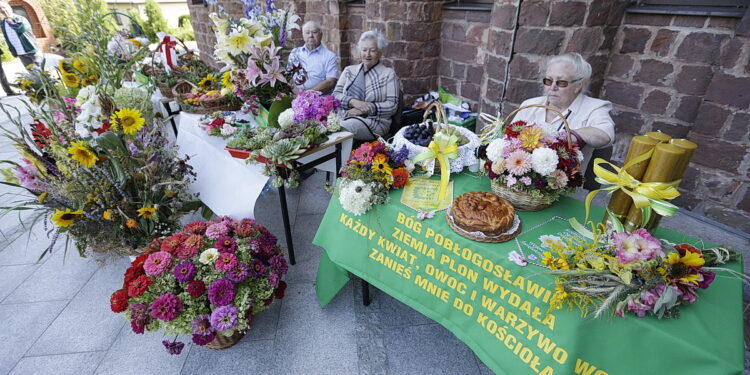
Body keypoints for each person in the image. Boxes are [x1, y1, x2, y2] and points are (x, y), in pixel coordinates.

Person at [512, 52, 615, 174]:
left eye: (561, 82)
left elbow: (605, 136)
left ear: (578, 85)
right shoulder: (529, 105)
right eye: (549, 81)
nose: (553, 87)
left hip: (565, 185)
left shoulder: (594, 108)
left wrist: (565, 137)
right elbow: (508, 141)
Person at [333, 30, 400, 141]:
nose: (367, 54)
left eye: (372, 51)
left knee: (340, 129)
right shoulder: (349, 71)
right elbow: (335, 95)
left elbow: (392, 106)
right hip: (345, 116)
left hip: (375, 122)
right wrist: (354, 102)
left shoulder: (388, 74)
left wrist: (363, 110)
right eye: (364, 50)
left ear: (380, 53)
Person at [288, 20, 339, 94]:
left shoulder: (330, 56)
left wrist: (309, 93)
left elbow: (331, 81)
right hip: (296, 96)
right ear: (303, 35)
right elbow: (288, 75)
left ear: (321, 35)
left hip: (319, 98)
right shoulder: (295, 52)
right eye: (307, 33)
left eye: (314, 32)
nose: (310, 35)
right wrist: (294, 91)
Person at [0, 2, 38, 70]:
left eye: (4, 8)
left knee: (42, 71)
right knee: (32, 73)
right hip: (19, 52)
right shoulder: (3, 23)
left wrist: (10, 19)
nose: (3, 10)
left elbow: (20, 28)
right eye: (0, 9)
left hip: (30, 49)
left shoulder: (20, 18)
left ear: (10, 8)